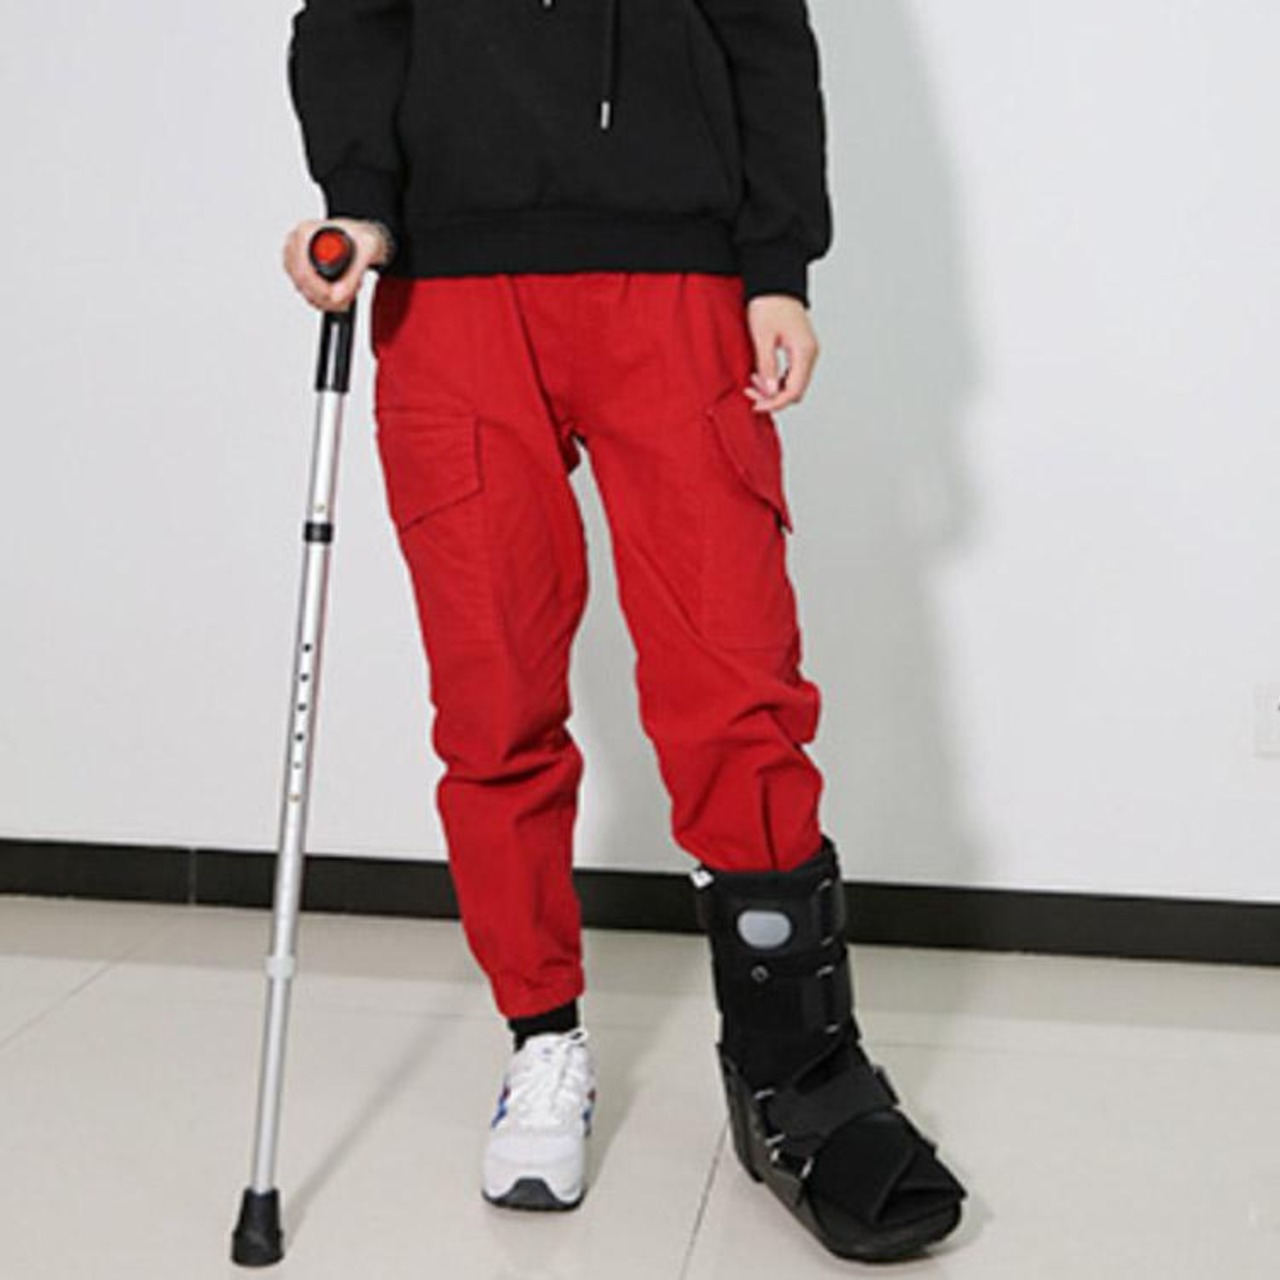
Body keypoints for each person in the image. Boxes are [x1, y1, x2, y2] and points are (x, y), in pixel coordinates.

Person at [282, 0, 966, 1262]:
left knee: (733, 678)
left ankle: (794, 1068)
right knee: (492, 692)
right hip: (452, 292)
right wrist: (359, 199)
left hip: (673, 278)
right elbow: (349, 19)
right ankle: (541, 1042)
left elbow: (766, 36)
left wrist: (776, 267)